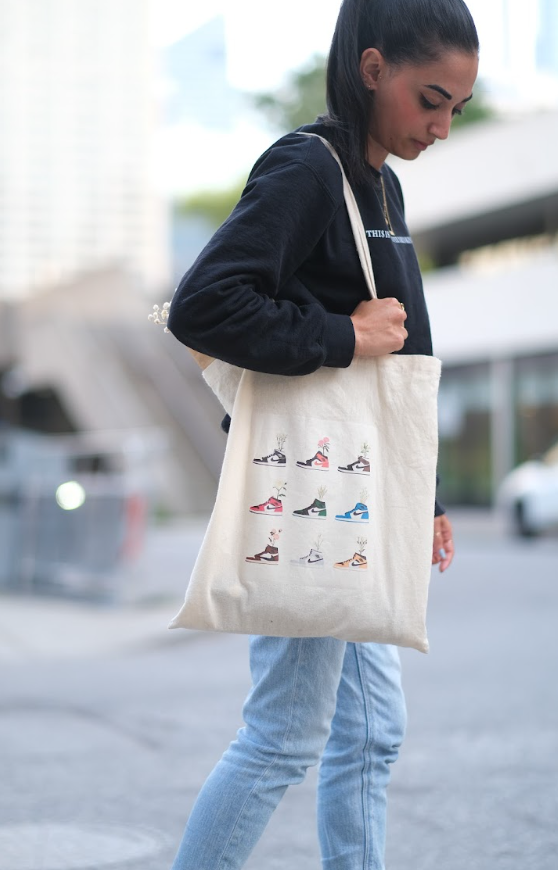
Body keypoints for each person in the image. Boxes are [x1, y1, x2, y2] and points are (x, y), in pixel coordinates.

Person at [166, 0, 478, 866]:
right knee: (283, 737)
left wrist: (423, 496)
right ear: (372, 68)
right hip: (313, 488)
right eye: (431, 100)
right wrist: (341, 336)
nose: (443, 127)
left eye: (457, 108)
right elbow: (203, 305)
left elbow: (403, 362)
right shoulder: (308, 167)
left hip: (363, 493)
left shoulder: (383, 183)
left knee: (372, 733)